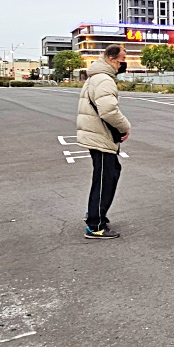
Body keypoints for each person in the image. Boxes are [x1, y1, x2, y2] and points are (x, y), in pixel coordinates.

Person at [76, 44, 132, 239]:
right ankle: (96, 225)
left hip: (97, 134)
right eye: (121, 60)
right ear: (111, 58)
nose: (123, 64)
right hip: (100, 137)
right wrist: (125, 127)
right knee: (104, 180)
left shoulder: (96, 77)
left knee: (109, 175)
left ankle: (95, 214)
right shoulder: (104, 80)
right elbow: (108, 110)